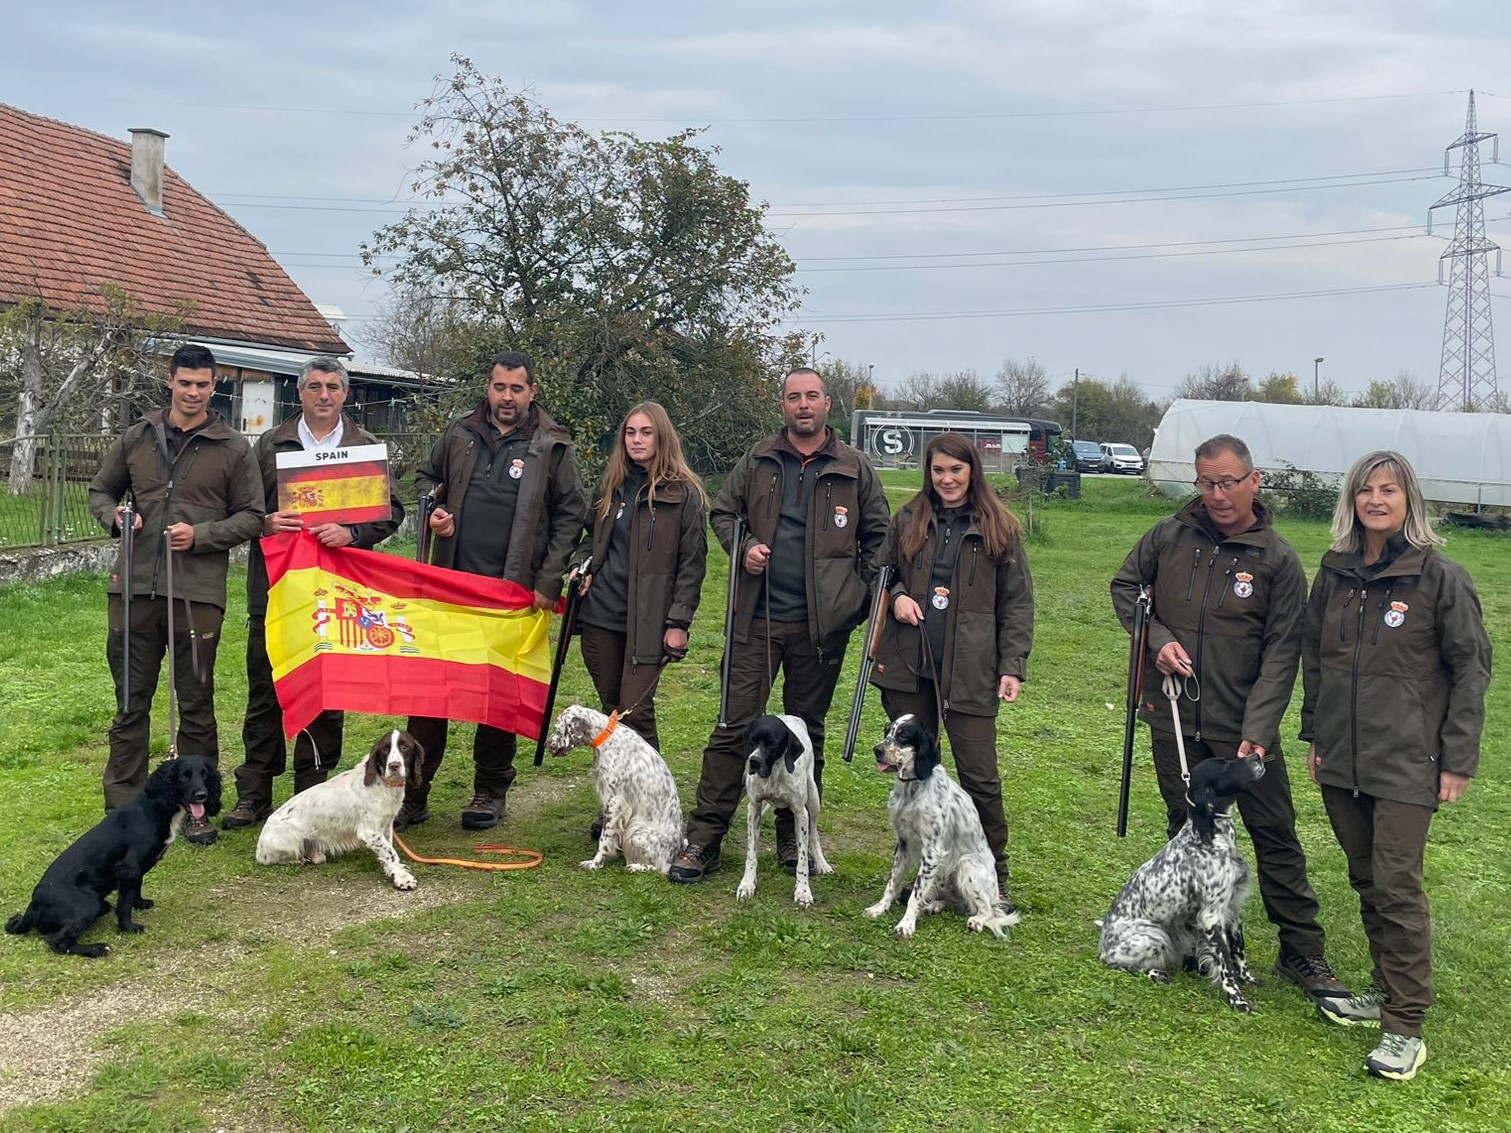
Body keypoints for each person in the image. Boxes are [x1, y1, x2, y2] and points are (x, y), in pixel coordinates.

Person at [1110, 433, 1348, 999]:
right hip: (1170, 714)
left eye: (1227, 482)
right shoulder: (1168, 535)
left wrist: (1258, 735)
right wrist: (1157, 640)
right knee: (1184, 828)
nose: (1217, 494)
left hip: (1241, 726)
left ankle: (1302, 953)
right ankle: (1195, 940)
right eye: (1206, 482)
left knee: (1274, 835)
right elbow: (1124, 586)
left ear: (1253, 481)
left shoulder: (1278, 560)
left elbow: (1282, 654)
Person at [1301, 451, 1491, 1082]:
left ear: (1410, 500)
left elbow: (1471, 671)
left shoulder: (1441, 577)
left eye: (1389, 490)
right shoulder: (1334, 571)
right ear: (1351, 502)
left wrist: (1457, 758)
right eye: (1365, 491)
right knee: (1365, 880)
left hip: (1411, 762)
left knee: (1396, 885)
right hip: (1342, 757)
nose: (1376, 500)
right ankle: (1385, 991)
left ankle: (1405, 1026)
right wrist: (1315, 734)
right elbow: (1317, 659)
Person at [669, 367, 889, 883]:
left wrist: (852, 597)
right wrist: (743, 548)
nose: (803, 405)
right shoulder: (759, 459)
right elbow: (723, 513)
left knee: (806, 733)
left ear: (828, 404)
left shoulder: (856, 469)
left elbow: (880, 539)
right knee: (732, 727)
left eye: (812, 396)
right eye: (794, 397)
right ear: (784, 406)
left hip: (821, 631)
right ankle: (705, 841)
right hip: (757, 620)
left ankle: (794, 842)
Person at [395, 350, 587, 831]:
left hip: (512, 594)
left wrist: (548, 580)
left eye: (516, 389)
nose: (507, 397)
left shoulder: (552, 444)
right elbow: (424, 479)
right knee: (431, 695)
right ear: (489, 387)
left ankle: (490, 790)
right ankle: (414, 793)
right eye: (499, 387)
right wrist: (433, 509)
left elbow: (571, 514)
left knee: (497, 693)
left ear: (532, 392)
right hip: (451, 588)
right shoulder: (459, 433)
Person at [87, 343, 264, 843]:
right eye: (184, 382)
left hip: (197, 592)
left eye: (202, 384)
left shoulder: (233, 447)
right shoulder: (136, 437)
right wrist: (115, 516)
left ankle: (196, 812)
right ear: (170, 380)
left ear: (215, 386)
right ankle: (124, 809)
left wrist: (201, 535)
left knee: (196, 704)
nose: (193, 391)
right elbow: (101, 491)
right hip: (133, 588)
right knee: (129, 703)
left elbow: (253, 515)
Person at [222, 357, 406, 830]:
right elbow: (242, 507)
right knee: (267, 690)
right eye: (314, 387)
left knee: (325, 693)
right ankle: (254, 792)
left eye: (332, 387)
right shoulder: (269, 444)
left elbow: (392, 510)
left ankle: (315, 790)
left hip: (335, 593)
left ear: (345, 394)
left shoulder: (364, 446)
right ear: (299, 393)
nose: (324, 395)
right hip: (278, 591)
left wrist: (353, 531)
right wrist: (264, 521)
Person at [869, 432, 1034, 910]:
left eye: (956, 470)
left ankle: (993, 873)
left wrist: (1012, 666)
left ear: (972, 472)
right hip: (909, 665)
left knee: (980, 776)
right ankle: (921, 872)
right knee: (911, 773)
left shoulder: (999, 526)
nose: (947, 480)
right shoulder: (907, 519)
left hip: (972, 670)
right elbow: (880, 573)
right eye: (938, 470)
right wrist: (898, 596)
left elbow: (1017, 603)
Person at [572, 401, 707, 752]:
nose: (637, 440)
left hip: (649, 619)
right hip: (601, 614)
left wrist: (679, 621)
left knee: (636, 711)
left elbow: (693, 564)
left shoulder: (683, 494)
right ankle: (619, 795)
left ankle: (653, 800)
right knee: (611, 709)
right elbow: (589, 539)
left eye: (646, 432)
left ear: (662, 437)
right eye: (630, 433)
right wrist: (582, 564)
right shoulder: (611, 486)